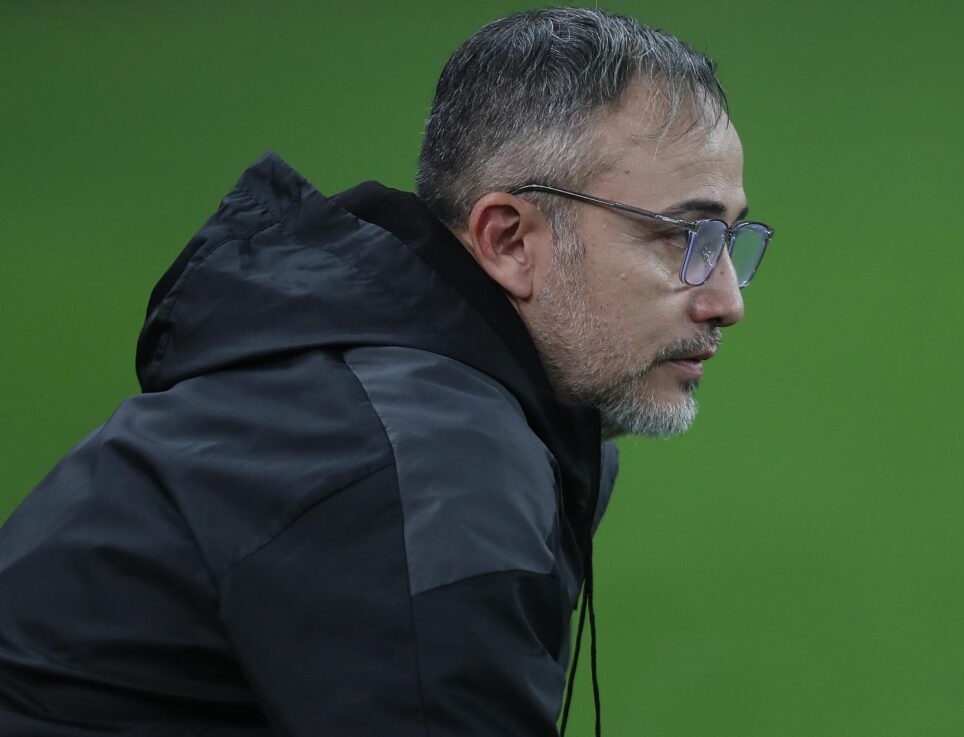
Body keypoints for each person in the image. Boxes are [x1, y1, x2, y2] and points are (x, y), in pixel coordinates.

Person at [0, 7, 772, 737]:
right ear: (507, 240)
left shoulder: (380, 401)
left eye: (731, 240)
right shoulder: (433, 466)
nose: (727, 301)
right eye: (685, 237)